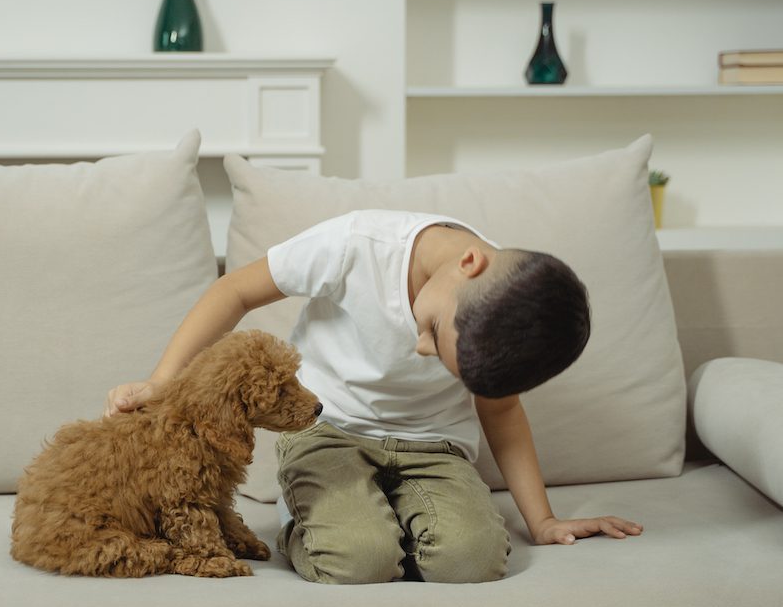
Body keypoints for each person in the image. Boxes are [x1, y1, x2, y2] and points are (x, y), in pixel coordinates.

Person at [107, 210, 642, 584]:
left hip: (432, 447)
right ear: (469, 263)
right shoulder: (356, 244)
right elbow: (235, 291)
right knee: (357, 561)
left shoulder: (502, 324)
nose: (420, 346)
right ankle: (315, 522)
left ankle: (386, 519)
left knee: (471, 563)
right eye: (432, 327)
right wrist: (162, 382)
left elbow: (502, 413)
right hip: (326, 429)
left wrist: (543, 522)